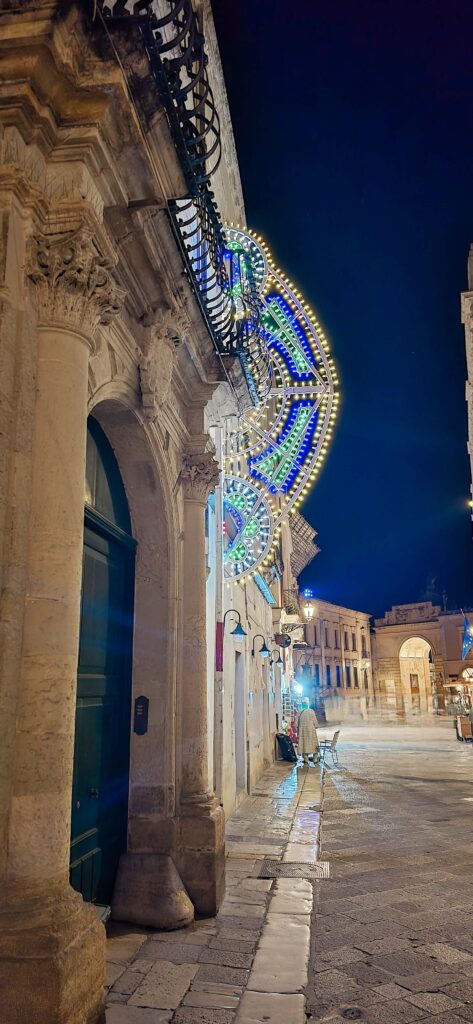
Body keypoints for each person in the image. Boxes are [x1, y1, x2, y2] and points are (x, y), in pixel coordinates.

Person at [297, 698, 319, 766]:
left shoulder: (299, 712)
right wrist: (316, 726)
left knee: (304, 745)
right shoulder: (311, 711)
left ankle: (306, 760)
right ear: (308, 704)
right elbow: (316, 723)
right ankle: (315, 759)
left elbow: (295, 724)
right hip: (311, 731)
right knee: (314, 745)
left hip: (302, 732)